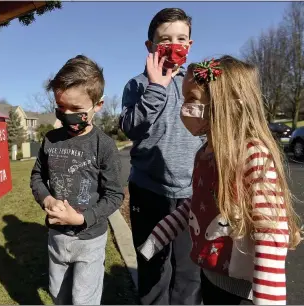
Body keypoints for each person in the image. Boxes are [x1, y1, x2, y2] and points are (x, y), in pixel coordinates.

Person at [138, 56, 303, 305]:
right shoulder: (204, 155)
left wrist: (268, 300)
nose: (184, 107)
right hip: (210, 278)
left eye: (192, 99)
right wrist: (157, 238)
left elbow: (270, 231)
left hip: (242, 293)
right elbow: (195, 204)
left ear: (226, 104)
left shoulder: (252, 155)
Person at [119, 8, 203, 304]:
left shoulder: (197, 84)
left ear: (190, 45)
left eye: (181, 39)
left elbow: (206, 131)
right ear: (150, 47)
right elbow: (131, 128)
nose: (174, 45)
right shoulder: (138, 85)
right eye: (164, 39)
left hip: (192, 193)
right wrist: (157, 87)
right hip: (149, 190)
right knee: (154, 266)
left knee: (189, 269)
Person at [30, 55, 124, 305]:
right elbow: (38, 176)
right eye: (61, 108)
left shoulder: (103, 145)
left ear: (98, 105)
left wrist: (83, 218)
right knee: (58, 295)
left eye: (76, 110)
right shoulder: (50, 139)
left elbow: (115, 195)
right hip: (57, 236)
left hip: (90, 238)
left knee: (83, 300)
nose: (67, 115)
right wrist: (46, 199)